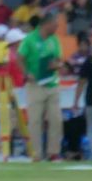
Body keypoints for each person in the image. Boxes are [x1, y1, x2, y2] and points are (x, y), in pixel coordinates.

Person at [18, 15, 63, 161]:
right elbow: (20, 58)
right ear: (47, 24)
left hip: (52, 82)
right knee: (35, 120)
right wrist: (26, 73)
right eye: (55, 25)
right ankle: (35, 153)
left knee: (56, 119)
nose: (57, 28)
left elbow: (58, 58)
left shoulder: (54, 39)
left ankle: (53, 152)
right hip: (35, 84)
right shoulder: (29, 39)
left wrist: (56, 64)